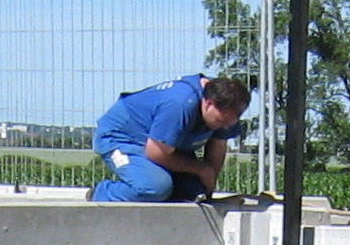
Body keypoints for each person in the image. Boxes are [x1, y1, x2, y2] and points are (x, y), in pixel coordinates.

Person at [92, 74, 251, 203]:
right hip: (123, 136)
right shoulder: (180, 104)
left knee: (192, 194)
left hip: (164, 145)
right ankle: (101, 193)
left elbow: (217, 148)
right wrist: (201, 169)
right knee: (154, 188)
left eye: (229, 124)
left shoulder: (226, 108)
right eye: (220, 122)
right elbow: (156, 153)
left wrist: (207, 191)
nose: (224, 127)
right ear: (208, 103)